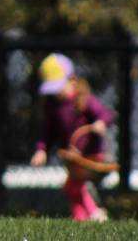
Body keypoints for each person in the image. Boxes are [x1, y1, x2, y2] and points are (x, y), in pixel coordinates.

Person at [30, 53, 114, 222]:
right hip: (73, 157)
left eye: (58, 87)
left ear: (73, 81)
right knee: (73, 188)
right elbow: (47, 133)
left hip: (91, 155)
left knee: (73, 186)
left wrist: (100, 123)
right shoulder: (53, 108)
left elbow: (106, 114)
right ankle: (79, 219)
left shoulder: (84, 100)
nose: (56, 93)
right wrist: (41, 150)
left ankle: (94, 213)